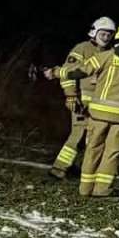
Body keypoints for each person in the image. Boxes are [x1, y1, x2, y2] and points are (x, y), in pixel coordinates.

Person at [62, 21, 119, 198]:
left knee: (93, 148)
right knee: (112, 153)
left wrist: (59, 72)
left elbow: (80, 72)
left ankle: (85, 189)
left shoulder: (106, 56)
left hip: (99, 114)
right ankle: (102, 190)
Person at [43, 16, 114, 180]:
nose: (106, 38)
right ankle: (58, 169)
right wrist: (71, 95)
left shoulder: (111, 53)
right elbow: (67, 72)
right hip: (81, 101)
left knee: (94, 137)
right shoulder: (82, 48)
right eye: (103, 34)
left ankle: (82, 169)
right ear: (94, 33)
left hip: (101, 103)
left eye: (109, 35)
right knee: (79, 134)